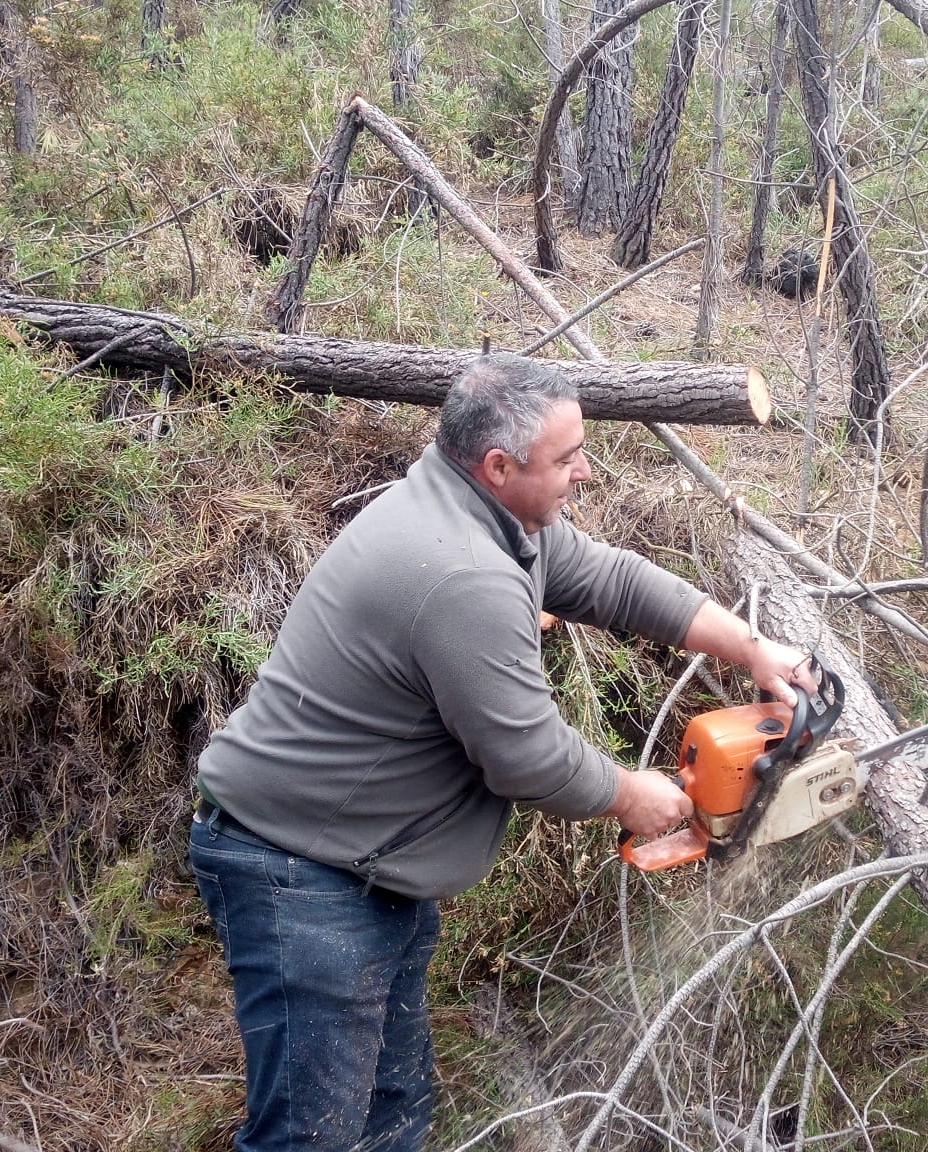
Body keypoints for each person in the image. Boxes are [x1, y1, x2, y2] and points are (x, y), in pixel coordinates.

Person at [190, 353, 812, 1152]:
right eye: (567, 458)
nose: (585, 472)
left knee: (392, 1108)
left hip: (364, 867)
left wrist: (753, 649)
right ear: (498, 465)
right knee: (313, 1137)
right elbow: (526, 757)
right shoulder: (464, 575)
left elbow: (615, 582)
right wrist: (634, 796)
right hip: (300, 872)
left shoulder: (486, 517)